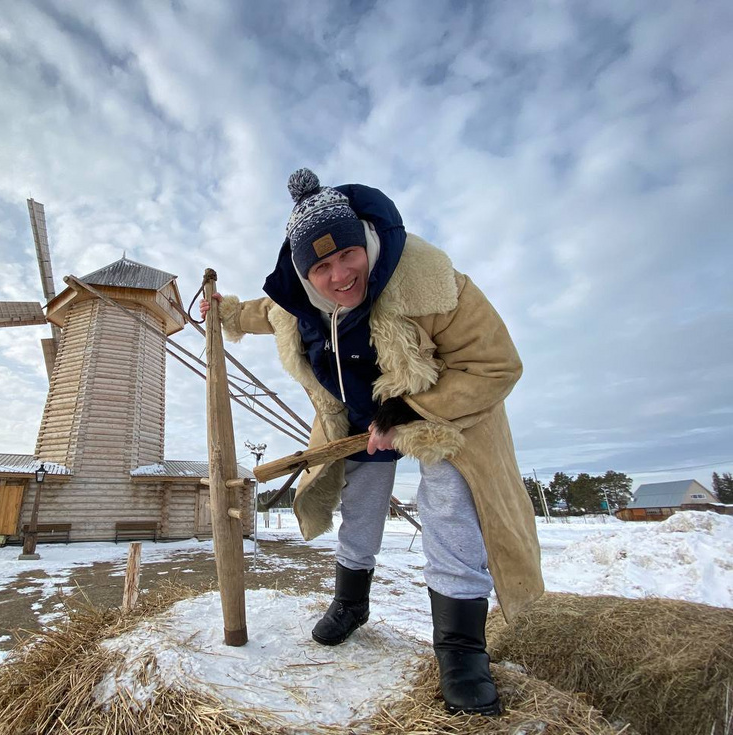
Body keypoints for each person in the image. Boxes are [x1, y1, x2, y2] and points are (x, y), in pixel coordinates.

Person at [200, 168, 543, 716]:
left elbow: (497, 363)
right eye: (321, 266)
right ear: (304, 273)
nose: (339, 276)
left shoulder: (431, 281)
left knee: (450, 504)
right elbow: (262, 313)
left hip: (445, 408)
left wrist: (407, 411)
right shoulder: (297, 300)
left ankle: (460, 652)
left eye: (348, 257)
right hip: (356, 420)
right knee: (358, 507)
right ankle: (350, 603)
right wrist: (222, 312)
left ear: (365, 240)